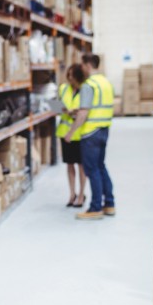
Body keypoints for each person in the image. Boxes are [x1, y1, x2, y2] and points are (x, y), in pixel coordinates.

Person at [65, 53, 115, 221]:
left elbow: (83, 112)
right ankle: (109, 204)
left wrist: (71, 132)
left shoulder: (89, 85)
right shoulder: (105, 82)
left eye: (82, 65)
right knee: (101, 167)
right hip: (104, 129)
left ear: (87, 65)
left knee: (91, 170)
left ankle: (95, 207)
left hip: (91, 133)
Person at [56, 64, 87, 208]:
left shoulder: (86, 90)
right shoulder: (63, 88)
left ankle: (81, 195)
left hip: (80, 134)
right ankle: (72, 194)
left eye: (72, 75)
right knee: (69, 165)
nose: (69, 78)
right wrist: (63, 110)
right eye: (68, 75)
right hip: (65, 132)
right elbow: (55, 106)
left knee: (81, 166)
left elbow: (87, 111)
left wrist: (77, 112)